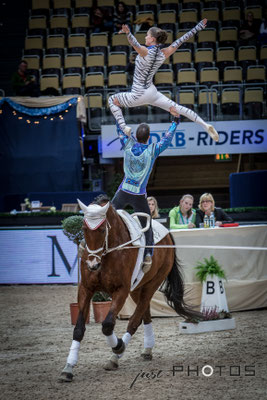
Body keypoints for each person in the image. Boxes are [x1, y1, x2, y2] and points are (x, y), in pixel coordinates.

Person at [108, 20, 219, 142]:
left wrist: (128, 33)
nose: (145, 37)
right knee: (178, 108)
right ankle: (204, 124)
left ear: (152, 39)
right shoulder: (163, 53)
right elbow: (181, 40)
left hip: (138, 93)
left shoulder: (145, 51)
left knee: (112, 100)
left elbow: (134, 43)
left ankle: (124, 127)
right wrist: (197, 28)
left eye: (147, 35)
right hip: (152, 92)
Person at [112, 117, 180, 273]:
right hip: (139, 194)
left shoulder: (128, 143)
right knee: (147, 225)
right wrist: (175, 122)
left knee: (107, 216)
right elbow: (167, 139)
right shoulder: (153, 149)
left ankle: (92, 244)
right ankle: (148, 253)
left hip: (123, 191)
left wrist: (118, 118)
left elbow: (119, 130)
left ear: (136, 135)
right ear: (149, 137)